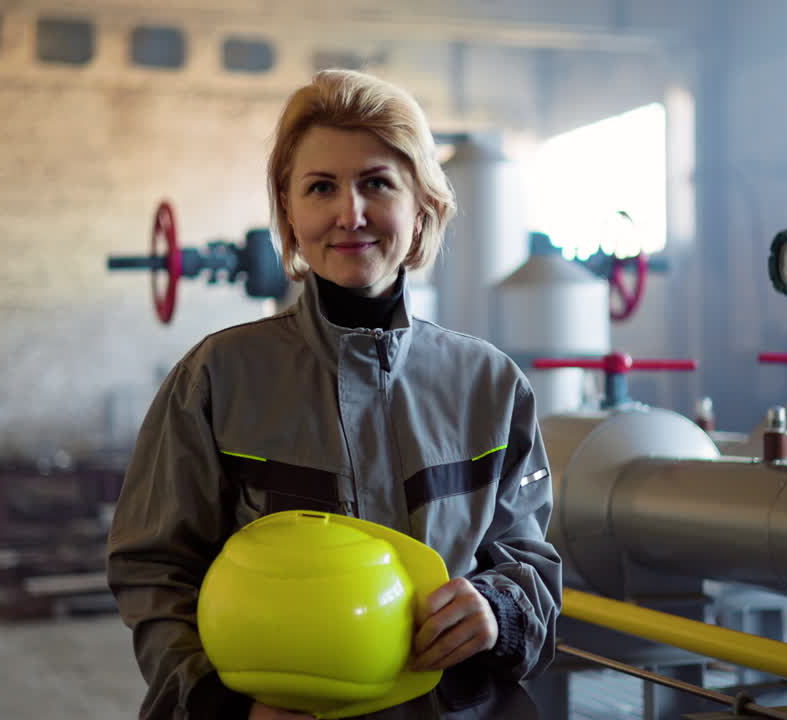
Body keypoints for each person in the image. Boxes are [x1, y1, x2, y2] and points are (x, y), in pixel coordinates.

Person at [107, 68, 562, 720]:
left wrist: (500, 610)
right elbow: (154, 571)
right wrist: (221, 706)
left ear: (421, 204)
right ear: (290, 212)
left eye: (377, 183)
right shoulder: (217, 377)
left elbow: (529, 565)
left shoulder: (489, 385)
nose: (350, 214)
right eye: (321, 187)